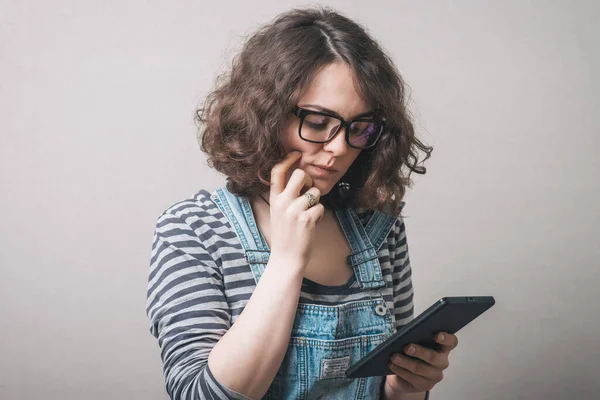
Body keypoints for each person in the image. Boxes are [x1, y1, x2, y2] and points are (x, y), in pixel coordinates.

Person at [146, 6, 458, 400]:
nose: (339, 148)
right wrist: (288, 259)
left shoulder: (379, 229)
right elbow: (199, 395)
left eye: (359, 127)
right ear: (265, 115)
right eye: (316, 122)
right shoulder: (192, 231)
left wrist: (405, 387)